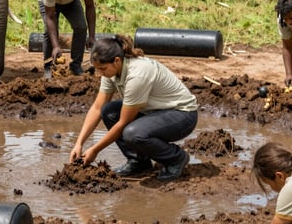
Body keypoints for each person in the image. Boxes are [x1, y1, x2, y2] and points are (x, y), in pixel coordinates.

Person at [69, 34, 198, 181]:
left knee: (133, 133)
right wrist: (79, 143)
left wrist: (95, 150)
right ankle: (139, 162)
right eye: (97, 69)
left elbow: (123, 123)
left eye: (102, 69)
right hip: (155, 112)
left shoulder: (137, 74)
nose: (100, 73)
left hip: (182, 115)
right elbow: (98, 107)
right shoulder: (111, 71)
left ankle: (175, 158)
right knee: (109, 112)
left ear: (116, 61)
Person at [37, 0, 96, 78]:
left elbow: (90, 7)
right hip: (49, 2)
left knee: (81, 27)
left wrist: (92, 36)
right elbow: (50, 17)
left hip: (72, 3)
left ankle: (76, 65)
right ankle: (48, 66)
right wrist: (56, 46)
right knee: (49, 32)